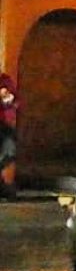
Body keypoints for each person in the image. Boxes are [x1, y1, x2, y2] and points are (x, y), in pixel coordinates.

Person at [0, 69, 16, 199]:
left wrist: (9, 98)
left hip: (4, 123)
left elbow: (14, 101)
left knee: (10, 150)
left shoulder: (5, 80)